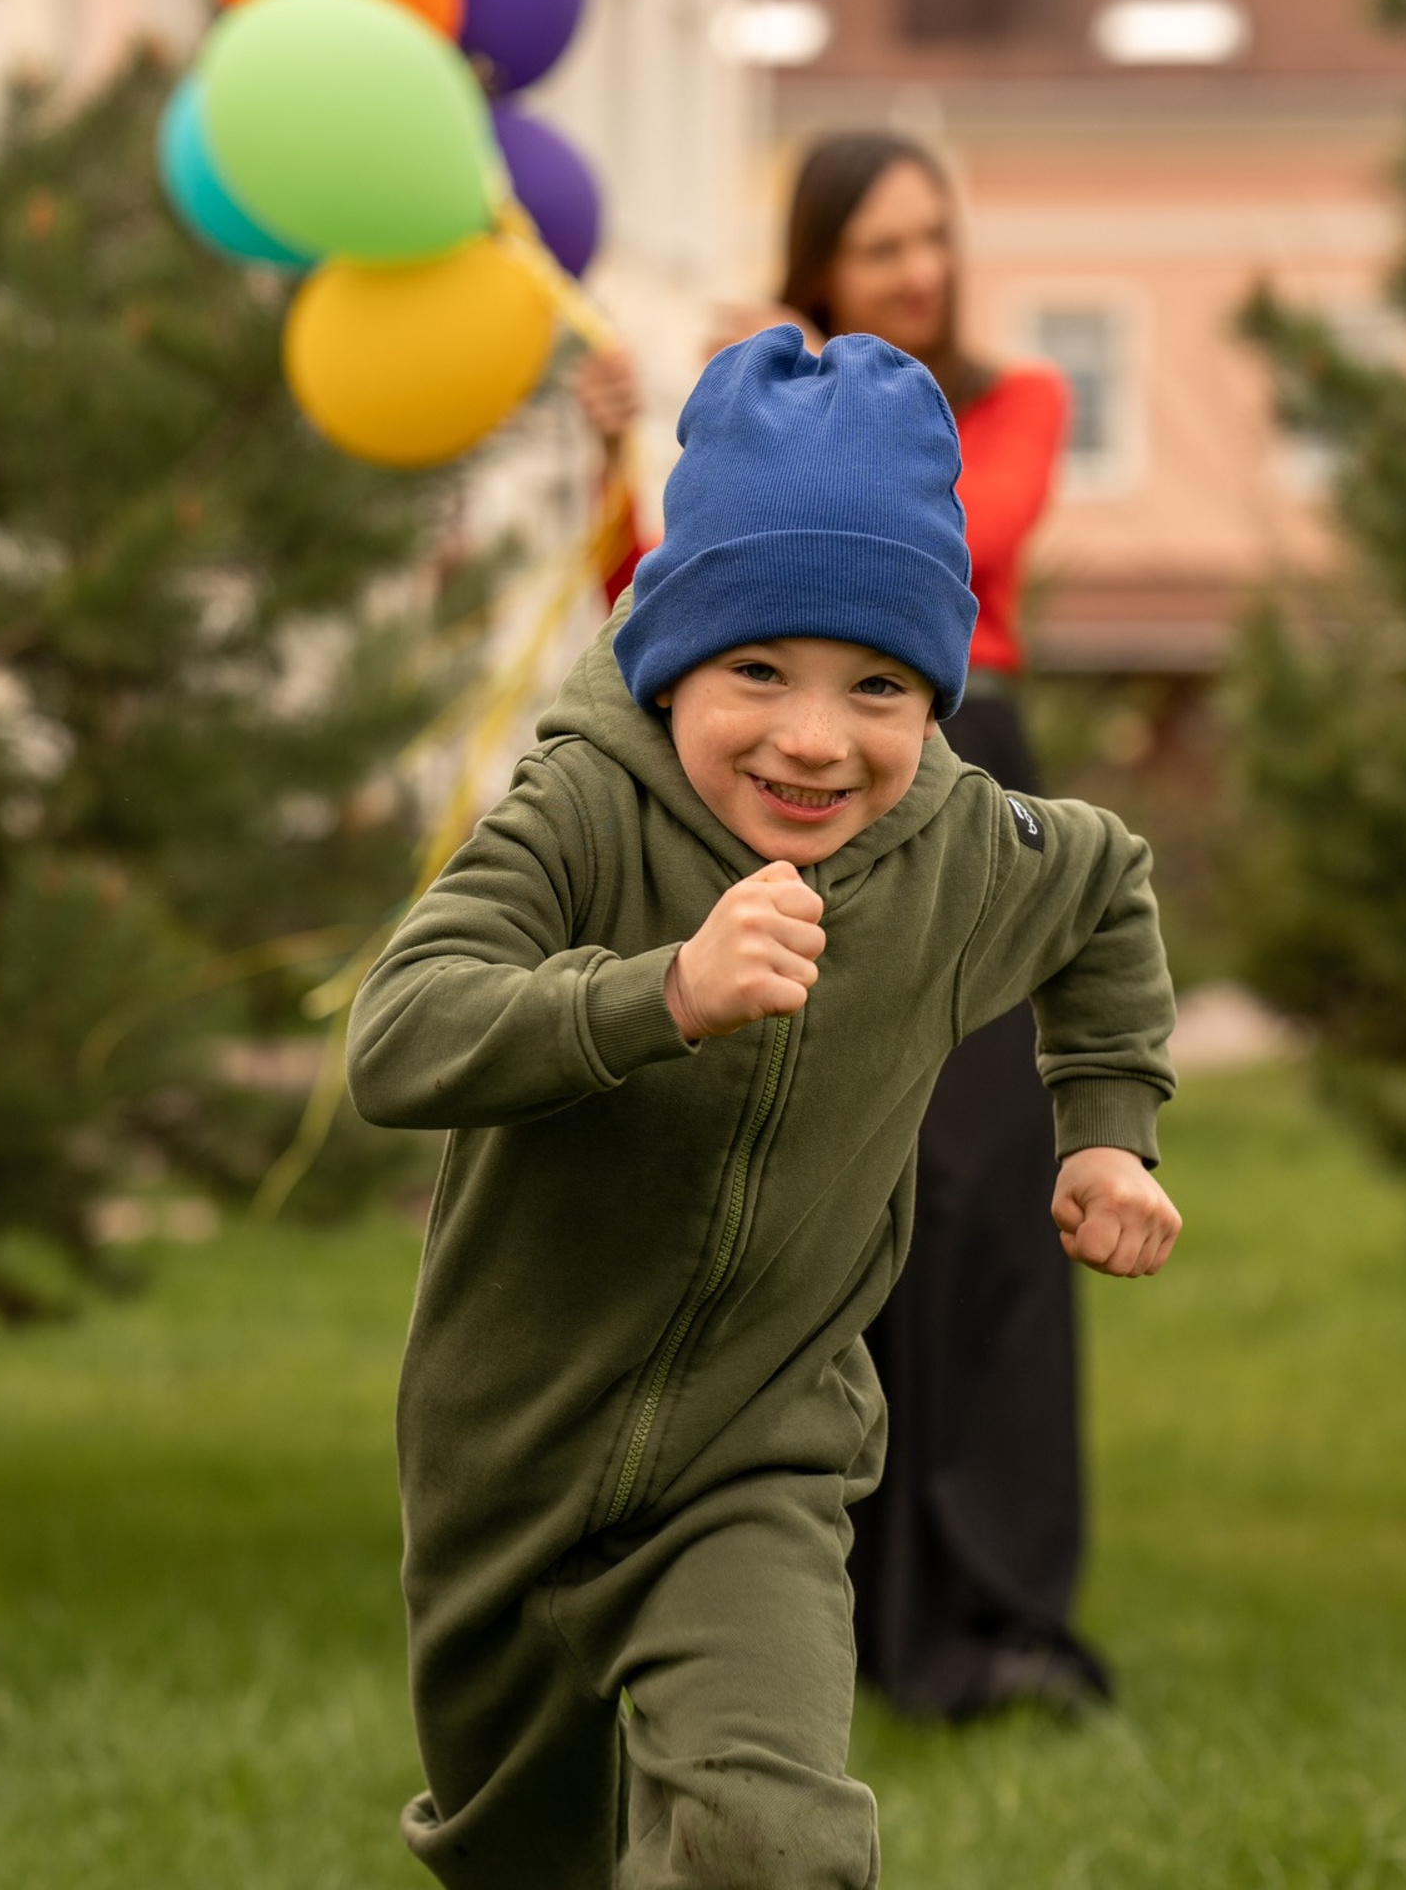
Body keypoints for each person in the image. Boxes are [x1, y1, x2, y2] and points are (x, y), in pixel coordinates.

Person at [348, 327, 1182, 1889]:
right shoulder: (584, 808)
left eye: (879, 685)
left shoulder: (957, 850)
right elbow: (400, 1034)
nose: (814, 737)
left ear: (936, 695)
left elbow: (1107, 889)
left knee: (772, 1836)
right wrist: (654, 993)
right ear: (674, 659)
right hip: (508, 1456)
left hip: (764, 1455)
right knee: (521, 1854)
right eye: (758, 672)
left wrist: (1109, 1123)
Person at [578, 130, 1105, 1718]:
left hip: (965, 785)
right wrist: (645, 446)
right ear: (823, 262)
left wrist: (784, 403)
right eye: (883, 251)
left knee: (990, 1191)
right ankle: (833, 1602)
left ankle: (1004, 1613)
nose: (922, 272)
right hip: (813, 797)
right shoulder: (755, 403)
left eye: (932, 241)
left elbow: (968, 545)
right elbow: (662, 595)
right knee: (841, 1191)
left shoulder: (1014, 404)